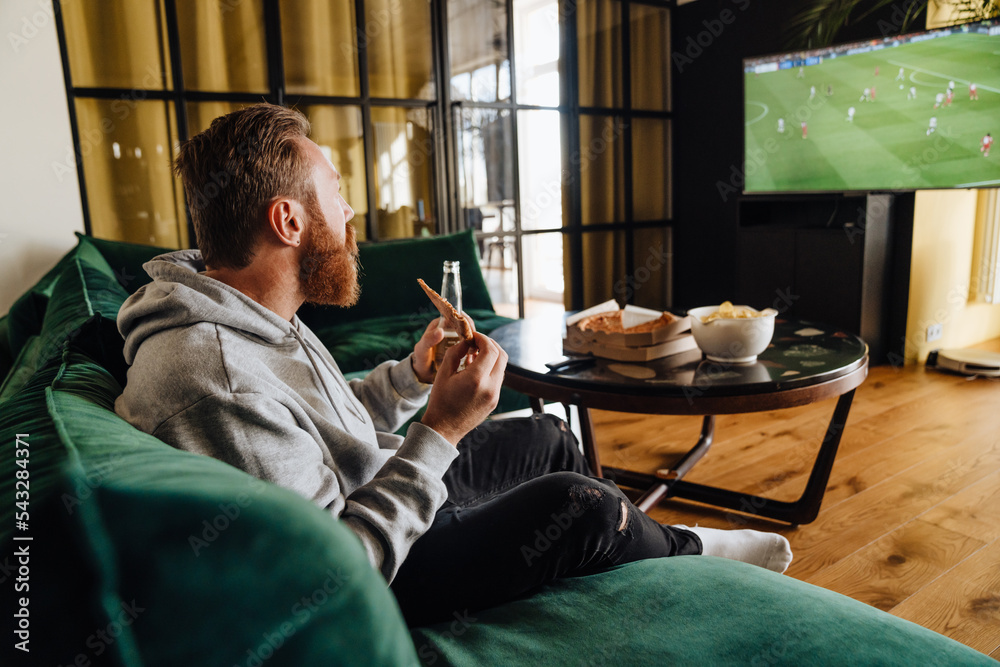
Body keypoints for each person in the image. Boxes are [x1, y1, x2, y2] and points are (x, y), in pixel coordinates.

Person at [114, 104, 793, 627]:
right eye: (336, 191)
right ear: (288, 221)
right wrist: (439, 430)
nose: (351, 212)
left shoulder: (248, 309)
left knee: (551, 435)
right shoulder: (214, 376)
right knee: (579, 505)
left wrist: (414, 375)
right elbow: (335, 572)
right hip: (385, 562)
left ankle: (613, 576)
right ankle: (687, 552)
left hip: (377, 488)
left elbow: (323, 422)